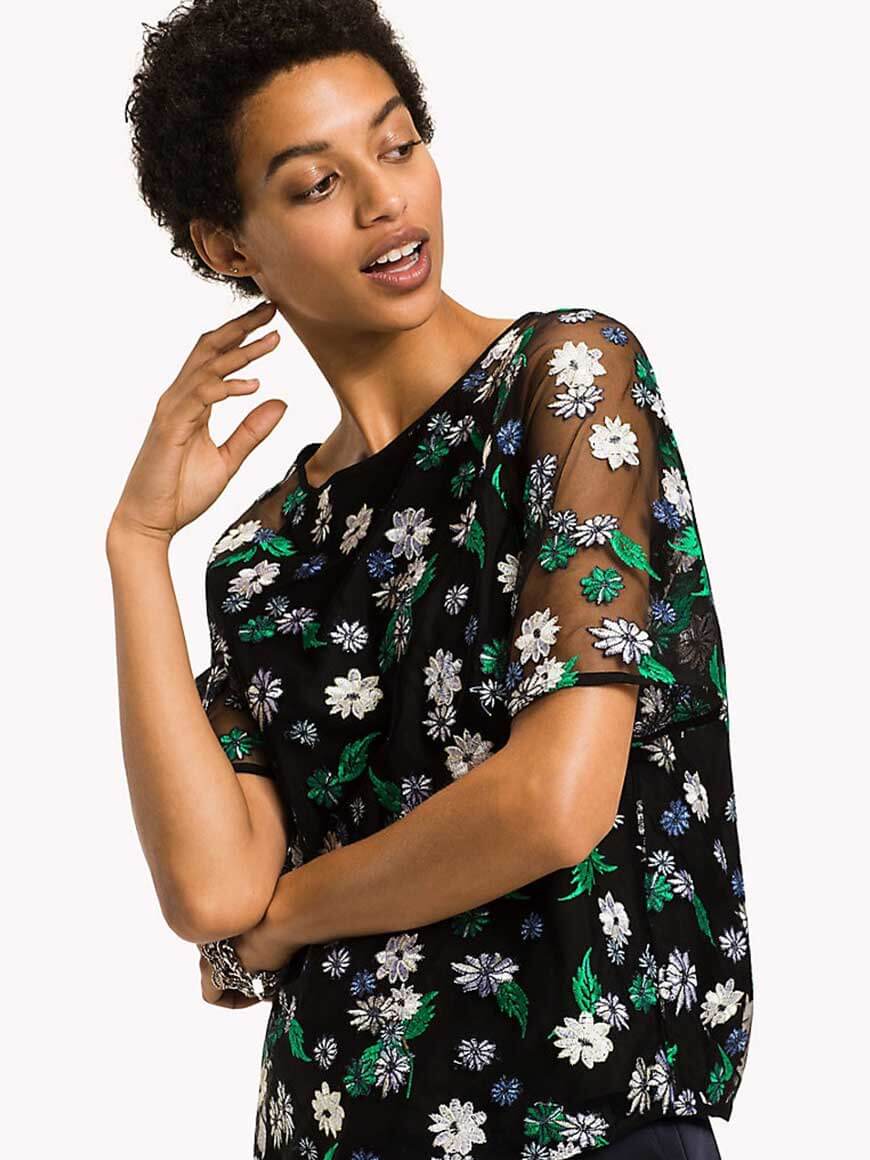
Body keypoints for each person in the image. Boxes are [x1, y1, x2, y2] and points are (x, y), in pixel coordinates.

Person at [109, 2, 753, 1156]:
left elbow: (553, 802)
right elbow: (210, 893)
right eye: (318, 183)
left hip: (581, 1122)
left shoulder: (566, 380)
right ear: (229, 245)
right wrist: (138, 543)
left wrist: (289, 918)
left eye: (398, 144)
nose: (385, 201)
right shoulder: (261, 556)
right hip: (330, 1125)